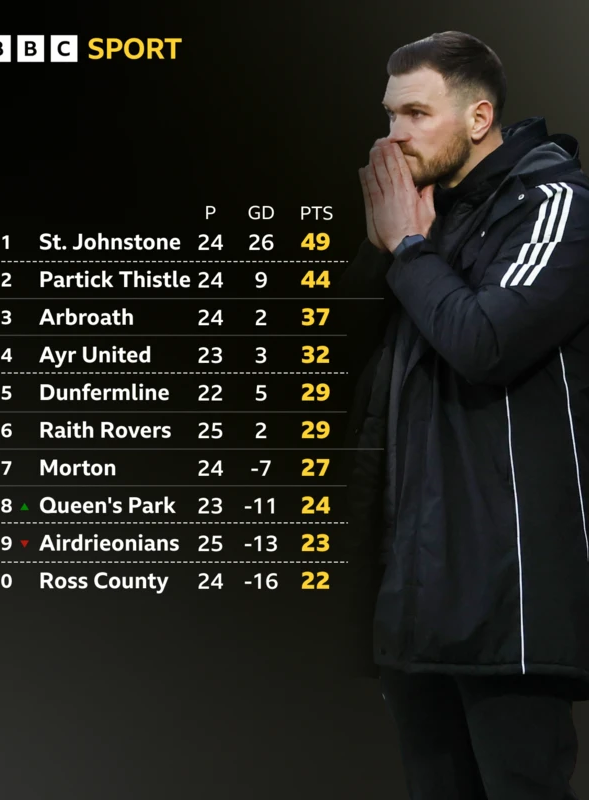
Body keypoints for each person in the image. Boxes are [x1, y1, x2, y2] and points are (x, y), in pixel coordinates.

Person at [341, 30, 589, 799]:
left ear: (480, 117)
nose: (395, 136)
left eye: (417, 113)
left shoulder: (557, 204)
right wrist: (390, 245)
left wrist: (410, 248)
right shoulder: (423, 218)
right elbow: (333, 349)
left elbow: (485, 342)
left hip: (508, 597)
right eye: (389, 117)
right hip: (415, 587)